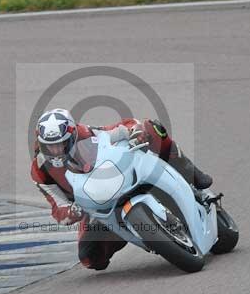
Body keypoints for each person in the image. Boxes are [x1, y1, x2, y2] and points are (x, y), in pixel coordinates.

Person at [30, 108, 212, 271]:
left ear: (72, 137)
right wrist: (71, 212)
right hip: (92, 206)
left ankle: (193, 174)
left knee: (152, 127)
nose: (56, 151)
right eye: (50, 147)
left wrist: (136, 130)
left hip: (115, 177)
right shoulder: (41, 170)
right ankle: (139, 233)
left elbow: (118, 128)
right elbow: (56, 205)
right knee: (89, 258)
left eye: (61, 144)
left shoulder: (86, 133)